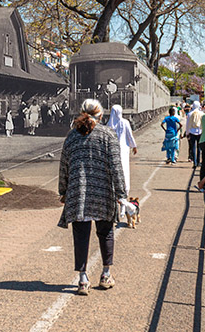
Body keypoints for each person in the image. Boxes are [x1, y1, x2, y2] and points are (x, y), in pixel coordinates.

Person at [58, 99, 126, 295]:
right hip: (103, 193)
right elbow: (116, 166)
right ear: (101, 116)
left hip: (78, 193)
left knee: (81, 236)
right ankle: (105, 275)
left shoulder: (71, 136)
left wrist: (63, 191)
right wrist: (121, 193)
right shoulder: (108, 135)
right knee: (105, 233)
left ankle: (82, 279)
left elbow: (64, 165)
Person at [106, 104, 138, 198]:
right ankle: (125, 190)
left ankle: (112, 190)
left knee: (112, 171)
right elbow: (129, 135)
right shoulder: (125, 122)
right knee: (124, 170)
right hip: (123, 150)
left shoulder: (108, 125)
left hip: (111, 150)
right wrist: (134, 146)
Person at [185, 101, 204, 167]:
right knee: (199, 148)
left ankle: (194, 162)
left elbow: (187, 125)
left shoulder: (190, 114)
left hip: (192, 132)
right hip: (200, 132)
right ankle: (198, 162)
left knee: (193, 147)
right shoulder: (202, 113)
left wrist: (187, 133)